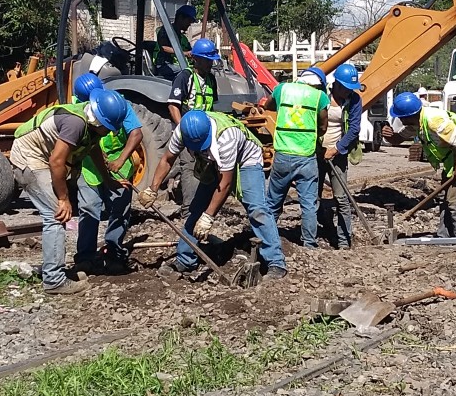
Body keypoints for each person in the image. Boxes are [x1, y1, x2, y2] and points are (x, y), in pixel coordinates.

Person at [137, 110, 287, 280]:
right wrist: (152, 189)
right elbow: (167, 159)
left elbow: (225, 184)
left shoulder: (226, 137)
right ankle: (185, 261)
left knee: (257, 208)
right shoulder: (182, 130)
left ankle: (275, 262)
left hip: (246, 159)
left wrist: (209, 217)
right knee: (196, 209)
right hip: (212, 160)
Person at [10, 89, 128, 294]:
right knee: (56, 215)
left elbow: (92, 149)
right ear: (100, 121)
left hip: (44, 159)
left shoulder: (90, 126)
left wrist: (108, 181)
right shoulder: (76, 123)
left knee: (57, 214)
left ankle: (53, 270)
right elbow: (56, 162)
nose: (108, 132)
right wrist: (63, 198)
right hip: (29, 159)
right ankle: (54, 280)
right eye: (107, 127)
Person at [382, 92, 456, 238]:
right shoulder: (415, 123)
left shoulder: (434, 120)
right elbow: (398, 139)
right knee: (447, 199)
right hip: (453, 159)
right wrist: (390, 136)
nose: (398, 118)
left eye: (400, 116)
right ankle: (444, 236)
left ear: (407, 116)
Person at [71, 74, 143, 275]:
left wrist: (120, 160)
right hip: (90, 168)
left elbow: (136, 133)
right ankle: (85, 257)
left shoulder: (116, 104)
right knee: (88, 209)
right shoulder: (77, 107)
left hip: (119, 168)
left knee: (120, 210)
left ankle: (113, 251)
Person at [264, 67, 330, 248]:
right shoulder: (319, 97)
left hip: (283, 155)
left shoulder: (282, 89)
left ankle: (266, 238)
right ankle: (309, 243)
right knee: (308, 204)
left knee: (273, 200)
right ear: (318, 84)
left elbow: (267, 105)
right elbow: (323, 125)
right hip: (306, 157)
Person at [166, 38, 220, 232]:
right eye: (207, 59)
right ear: (196, 59)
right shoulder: (185, 77)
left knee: (206, 168)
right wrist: (183, 130)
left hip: (205, 133)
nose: (210, 63)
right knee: (189, 167)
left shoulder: (211, 79)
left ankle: (204, 208)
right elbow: (173, 105)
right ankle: (189, 211)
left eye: (211, 60)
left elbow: (211, 106)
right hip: (188, 132)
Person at [319, 64, 362, 249]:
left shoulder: (354, 100)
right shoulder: (322, 97)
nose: (349, 92)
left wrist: (336, 149)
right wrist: (319, 149)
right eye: (346, 88)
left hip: (338, 154)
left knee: (342, 198)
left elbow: (354, 129)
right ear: (336, 84)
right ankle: (313, 237)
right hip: (317, 152)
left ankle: (344, 240)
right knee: (312, 196)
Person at [154, 5, 198, 80]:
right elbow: (163, 47)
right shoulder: (166, 31)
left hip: (177, 65)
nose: (189, 24)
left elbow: (189, 51)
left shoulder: (182, 37)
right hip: (163, 65)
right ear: (181, 17)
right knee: (186, 71)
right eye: (189, 20)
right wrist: (185, 53)